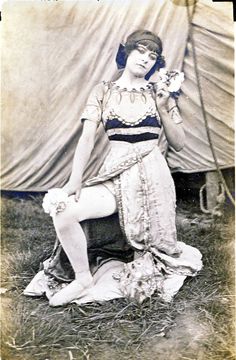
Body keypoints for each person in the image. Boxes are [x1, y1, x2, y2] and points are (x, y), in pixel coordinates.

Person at [24, 30, 202, 306]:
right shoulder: (103, 91)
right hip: (116, 175)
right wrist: (75, 181)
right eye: (140, 51)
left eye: (152, 56)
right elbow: (86, 139)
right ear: (126, 52)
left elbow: (178, 144)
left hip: (152, 179)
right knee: (65, 212)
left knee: (155, 248)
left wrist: (165, 107)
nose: (145, 59)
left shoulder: (159, 93)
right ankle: (83, 278)